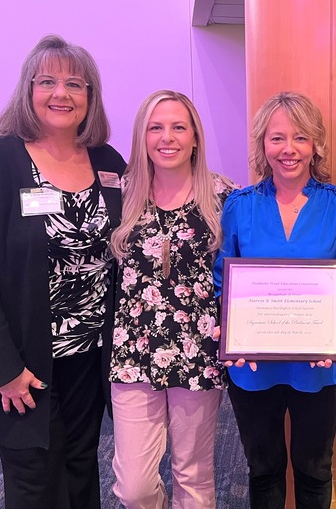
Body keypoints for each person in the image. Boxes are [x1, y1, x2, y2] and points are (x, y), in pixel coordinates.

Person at [0, 34, 126, 509]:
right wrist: (1, 368)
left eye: (75, 84)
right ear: (28, 90)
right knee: (35, 476)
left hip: (89, 353)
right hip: (23, 360)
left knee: (83, 462)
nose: (61, 93)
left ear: (91, 97)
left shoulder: (107, 163)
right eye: (48, 81)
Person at [213, 91, 336, 509]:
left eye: (300, 138)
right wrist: (230, 332)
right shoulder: (239, 206)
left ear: (315, 145)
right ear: (262, 144)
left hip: (320, 364)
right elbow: (225, 278)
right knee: (264, 470)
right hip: (253, 364)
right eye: (277, 138)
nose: (288, 149)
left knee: (315, 470)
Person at [108, 90, 234, 508]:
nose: (168, 137)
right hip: (133, 354)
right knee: (135, 487)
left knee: (194, 479)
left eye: (179, 127)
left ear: (195, 136)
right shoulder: (119, 196)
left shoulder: (223, 198)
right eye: (156, 127)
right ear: (142, 137)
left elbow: (241, 275)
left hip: (199, 353)